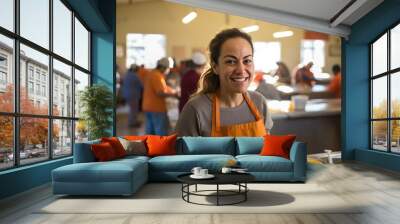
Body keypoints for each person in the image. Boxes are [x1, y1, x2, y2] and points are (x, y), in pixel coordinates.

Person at [175, 28, 273, 137]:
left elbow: (267, 150)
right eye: (230, 61)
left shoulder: (259, 102)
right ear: (215, 66)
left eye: (247, 61)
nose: (241, 70)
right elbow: (181, 153)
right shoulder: (196, 109)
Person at [142, 57, 179, 135]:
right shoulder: (157, 76)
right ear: (162, 67)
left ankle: (149, 146)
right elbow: (160, 93)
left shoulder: (152, 73)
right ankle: (160, 147)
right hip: (156, 108)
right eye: (168, 68)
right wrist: (174, 94)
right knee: (160, 132)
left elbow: (163, 87)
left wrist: (173, 90)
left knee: (150, 132)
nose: (169, 70)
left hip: (148, 107)